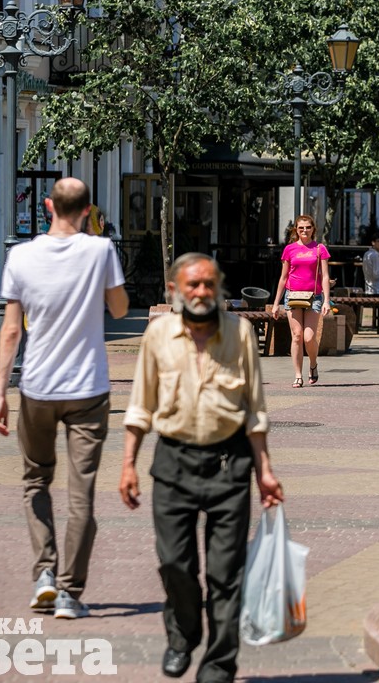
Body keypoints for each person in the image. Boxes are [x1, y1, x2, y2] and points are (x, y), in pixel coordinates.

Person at [119, 253, 282, 682]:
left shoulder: (240, 333)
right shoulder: (157, 336)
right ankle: (183, 634)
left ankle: (218, 666)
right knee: (175, 565)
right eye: (192, 285)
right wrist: (128, 465)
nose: (201, 292)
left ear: (220, 287)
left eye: (209, 284)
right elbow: (140, 406)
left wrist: (264, 469)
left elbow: (255, 410)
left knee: (226, 575)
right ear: (174, 290)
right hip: (173, 462)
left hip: (230, 464)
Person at [0, 177, 129, 619]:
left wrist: (0, 392)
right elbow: (121, 309)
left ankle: (45, 575)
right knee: (81, 490)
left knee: (36, 480)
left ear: (48, 205)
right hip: (88, 387)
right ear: (88, 210)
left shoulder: (20, 256)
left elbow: (11, 329)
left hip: (36, 386)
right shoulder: (100, 250)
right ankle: (71, 593)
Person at [272, 214, 330, 387]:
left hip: (314, 296)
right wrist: (275, 303)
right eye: (301, 228)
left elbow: (325, 276)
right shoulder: (289, 249)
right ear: (296, 230)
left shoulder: (320, 249)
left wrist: (327, 300)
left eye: (308, 227)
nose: (304, 230)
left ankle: (313, 364)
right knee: (296, 336)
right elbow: (283, 278)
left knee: (308, 337)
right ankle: (298, 374)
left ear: (313, 229)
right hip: (292, 295)